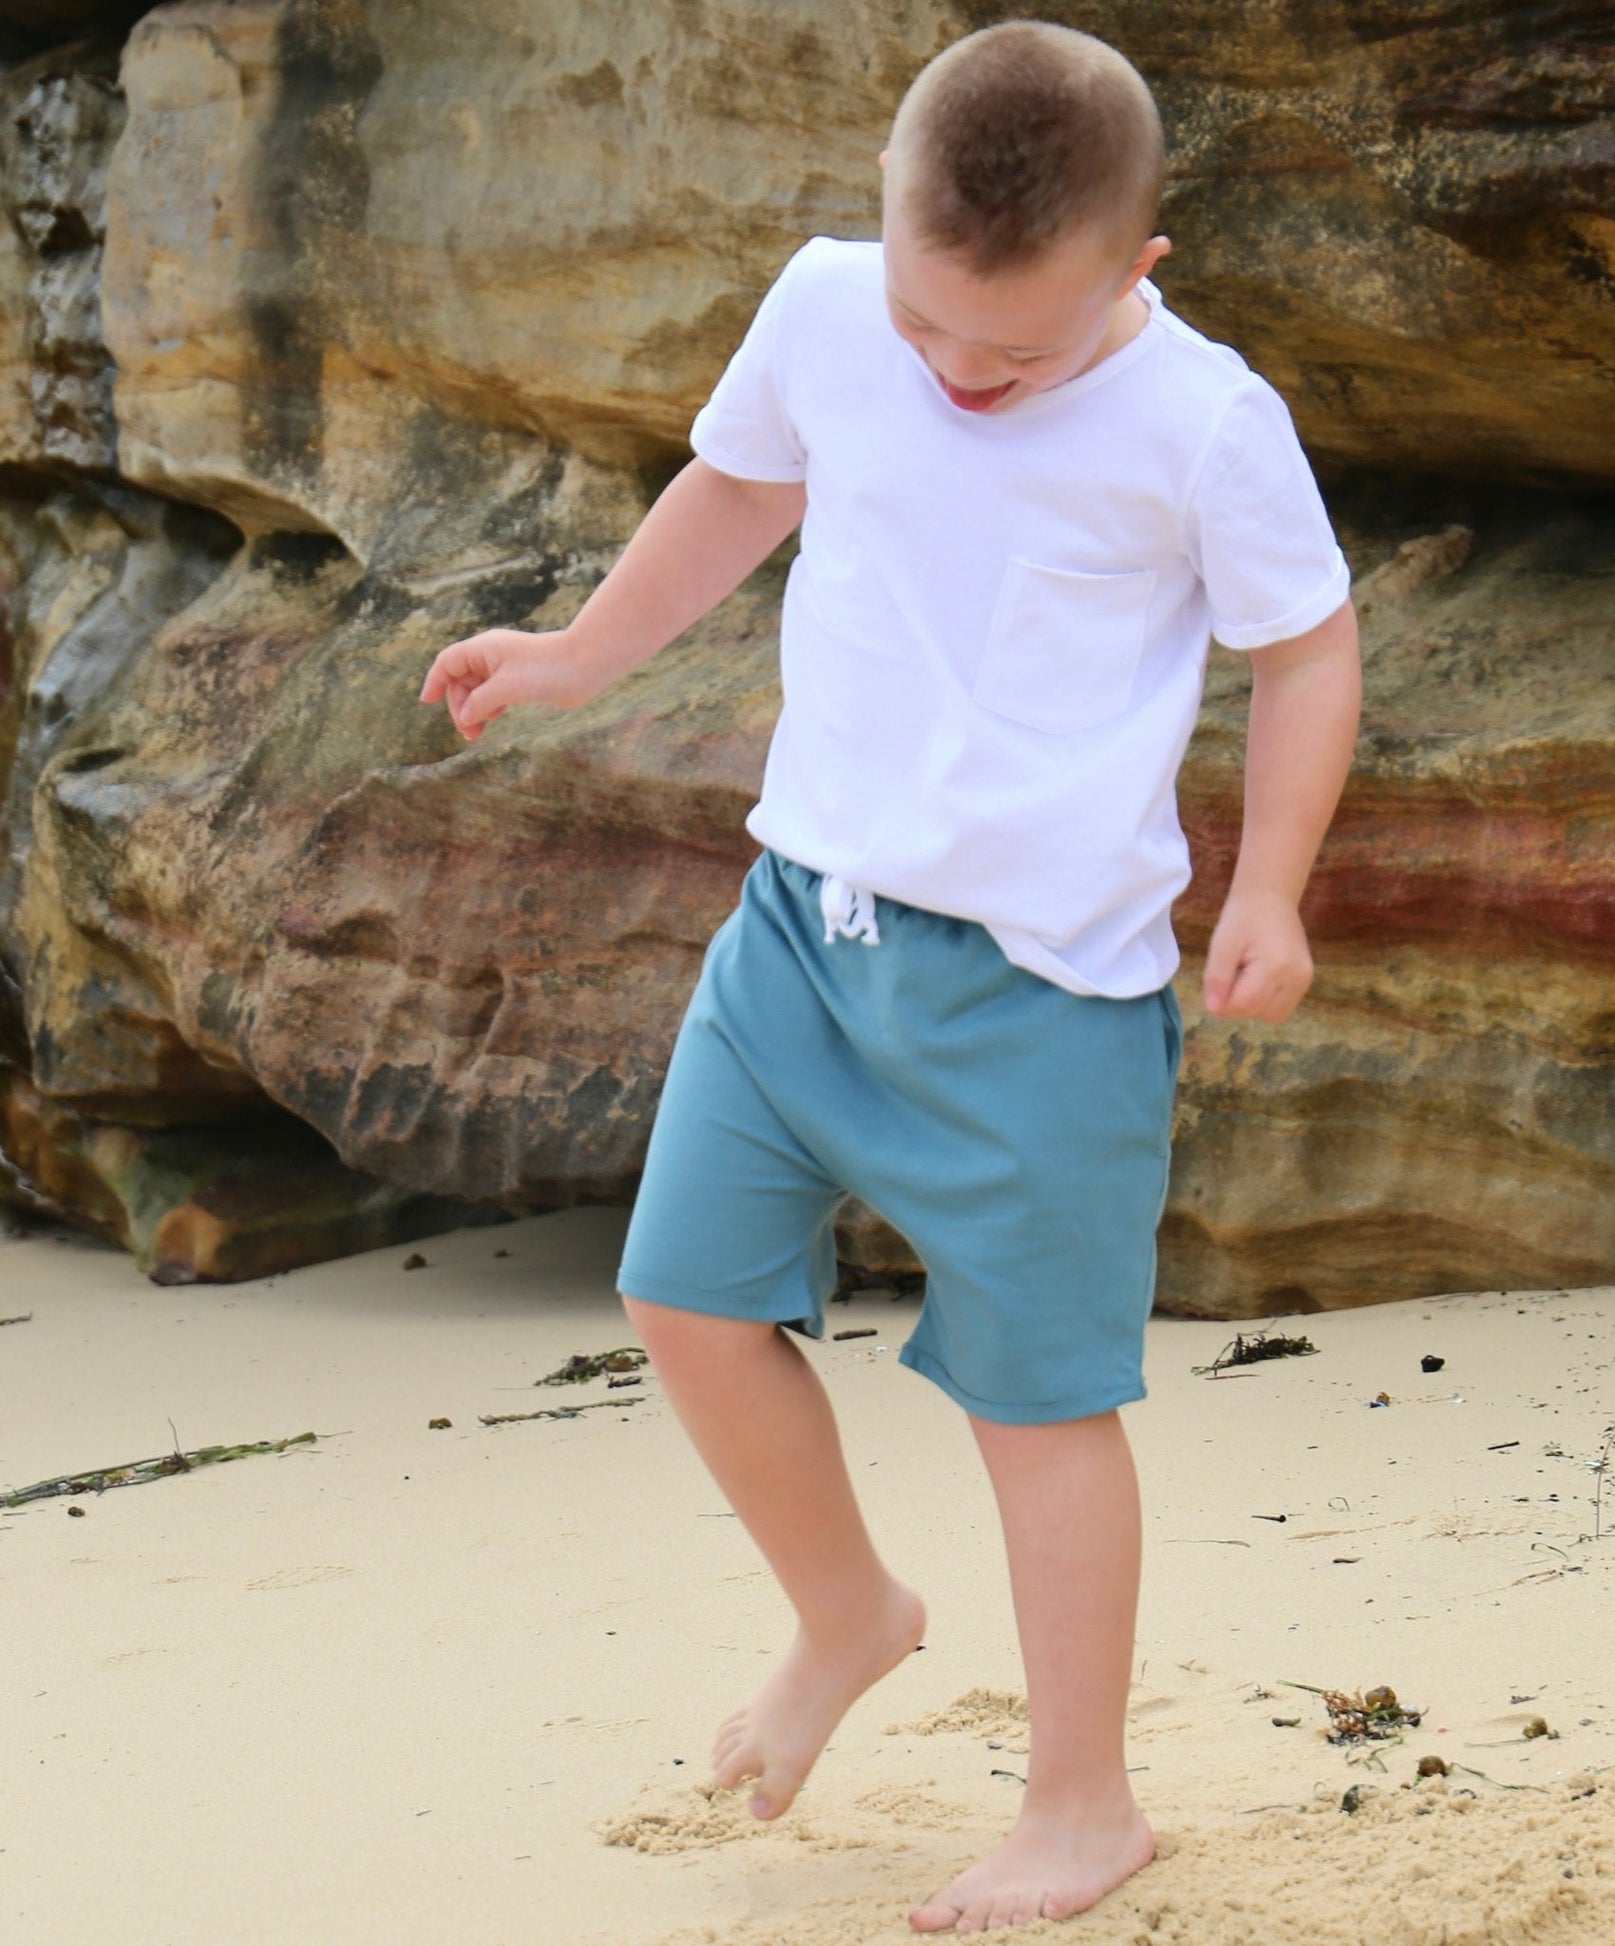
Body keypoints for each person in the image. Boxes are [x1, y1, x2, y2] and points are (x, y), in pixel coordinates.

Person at [421, 20, 1359, 1932]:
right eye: (930, 325)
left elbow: (1306, 648)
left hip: (1042, 996)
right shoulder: (833, 308)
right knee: (680, 1296)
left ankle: (1081, 1802)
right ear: (882, 235)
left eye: (1012, 348)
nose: (955, 373)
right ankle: (848, 1609)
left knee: (1035, 1400)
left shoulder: (1200, 421)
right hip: (804, 926)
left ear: (1138, 268)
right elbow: (737, 491)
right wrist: (582, 653)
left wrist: (1269, 885)